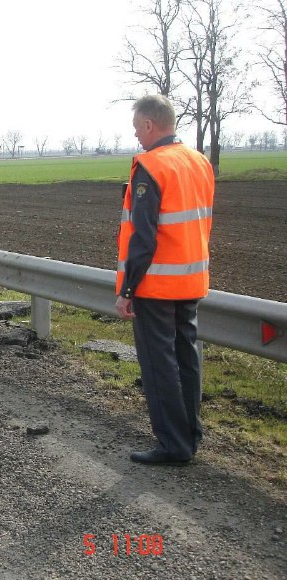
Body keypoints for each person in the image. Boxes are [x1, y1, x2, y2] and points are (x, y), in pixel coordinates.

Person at [115, 94, 215, 465]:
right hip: (191, 279)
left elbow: (143, 236)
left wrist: (127, 289)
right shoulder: (199, 162)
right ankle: (190, 435)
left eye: (136, 128)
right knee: (187, 358)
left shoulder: (150, 166)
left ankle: (173, 446)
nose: (136, 136)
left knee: (160, 365)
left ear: (149, 125)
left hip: (156, 284)